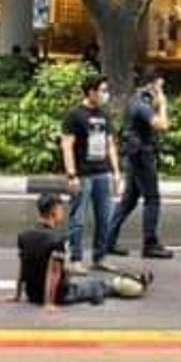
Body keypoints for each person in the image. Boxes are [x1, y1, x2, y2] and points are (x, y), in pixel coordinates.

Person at [8, 193, 152, 311]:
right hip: (59, 295)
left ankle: (131, 281)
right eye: (61, 210)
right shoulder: (57, 239)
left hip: (32, 294)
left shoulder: (24, 235)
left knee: (83, 281)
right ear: (53, 212)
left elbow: (23, 268)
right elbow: (54, 273)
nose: (63, 213)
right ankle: (136, 283)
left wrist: (17, 295)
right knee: (101, 285)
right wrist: (48, 302)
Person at [107, 68, 173, 259]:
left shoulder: (136, 100)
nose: (161, 90)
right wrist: (163, 104)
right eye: (160, 86)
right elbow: (162, 125)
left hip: (135, 155)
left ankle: (108, 240)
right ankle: (150, 244)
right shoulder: (142, 103)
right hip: (142, 156)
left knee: (128, 201)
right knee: (152, 199)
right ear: (152, 84)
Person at [61, 75, 123, 274]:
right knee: (78, 218)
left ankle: (100, 256)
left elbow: (110, 143)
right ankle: (75, 258)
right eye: (102, 90)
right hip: (83, 173)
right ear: (91, 92)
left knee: (105, 217)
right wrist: (72, 174)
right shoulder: (75, 115)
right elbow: (67, 145)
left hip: (102, 172)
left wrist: (116, 172)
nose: (105, 94)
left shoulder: (104, 114)